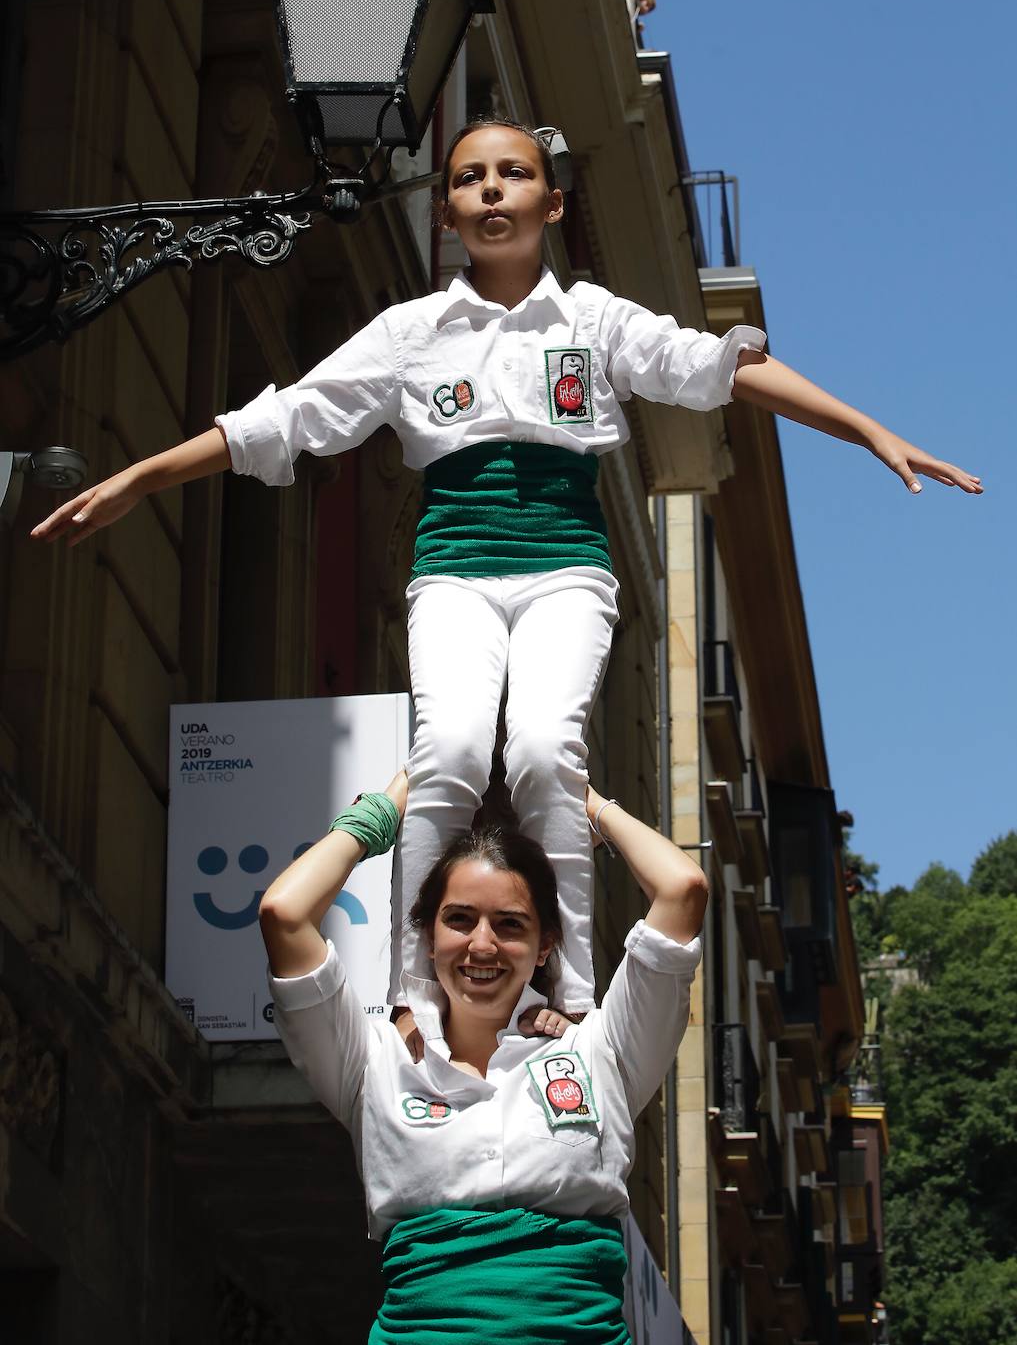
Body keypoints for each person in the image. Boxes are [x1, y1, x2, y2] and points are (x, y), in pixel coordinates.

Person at [31, 117, 982, 1020]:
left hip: (568, 572)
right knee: (444, 754)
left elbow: (720, 369)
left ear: (552, 204)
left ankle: (565, 994)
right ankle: (409, 991)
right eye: (467, 179)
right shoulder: (410, 334)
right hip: (451, 575)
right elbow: (282, 420)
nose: (491, 190)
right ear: (446, 212)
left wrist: (867, 430)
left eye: (513, 174)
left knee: (538, 753)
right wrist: (143, 478)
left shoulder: (594, 321)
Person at [257, 770, 709, 1343]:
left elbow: (683, 890)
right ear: (426, 934)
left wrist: (572, 797)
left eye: (511, 925)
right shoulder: (374, 1060)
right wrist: (402, 794)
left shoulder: (598, 1049)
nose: (482, 944)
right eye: (460, 919)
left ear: (546, 942)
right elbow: (283, 914)